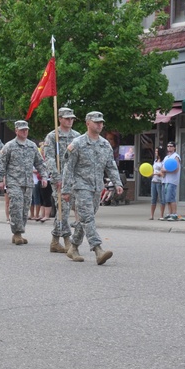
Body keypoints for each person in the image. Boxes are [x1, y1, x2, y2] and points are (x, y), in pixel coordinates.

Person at [61, 111, 121, 264]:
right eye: (96, 122)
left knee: (85, 219)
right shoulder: (77, 143)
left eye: (101, 122)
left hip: (96, 188)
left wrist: (117, 183)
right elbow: (68, 168)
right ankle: (98, 249)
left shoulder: (105, 144)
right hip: (81, 187)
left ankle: (73, 247)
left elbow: (111, 166)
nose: (100, 124)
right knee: (88, 217)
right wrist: (66, 190)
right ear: (88, 123)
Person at [0, 120, 48, 246]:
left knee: (25, 208)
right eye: (22, 130)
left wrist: (44, 177)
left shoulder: (31, 146)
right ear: (16, 131)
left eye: (26, 130)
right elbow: (1, 164)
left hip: (28, 182)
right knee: (16, 206)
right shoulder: (9, 146)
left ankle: (19, 230)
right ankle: (17, 233)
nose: (24, 132)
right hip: (14, 181)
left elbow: (39, 163)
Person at [40, 107, 80, 252]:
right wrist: (57, 177)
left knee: (66, 210)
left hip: (75, 179)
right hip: (60, 179)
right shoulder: (52, 136)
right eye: (67, 118)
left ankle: (55, 241)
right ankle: (67, 239)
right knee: (63, 210)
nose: (70, 121)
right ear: (60, 119)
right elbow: (49, 158)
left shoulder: (77, 136)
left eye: (72, 118)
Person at [160, 141, 182, 221]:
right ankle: (169, 213)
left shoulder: (176, 156)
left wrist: (166, 171)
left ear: (174, 147)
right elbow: (162, 168)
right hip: (165, 180)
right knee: (167, 199)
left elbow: (176, 169)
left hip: (172, 181)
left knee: (171, 198)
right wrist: (163, 171)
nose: (169, 147)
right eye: (168, 146)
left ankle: (174, 214)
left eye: (171, 146)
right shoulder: (166, 157)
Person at [150, 148, 166, 220]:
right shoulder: (155, 160)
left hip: (160, 181)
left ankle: (161, 215)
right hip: (154, 180)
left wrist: (156, 173)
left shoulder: (163, 161)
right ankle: (152, 215)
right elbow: (153, 170)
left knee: (161, 199)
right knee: (153, 198)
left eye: (157, 151)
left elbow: (162, 172)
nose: (156, 152)